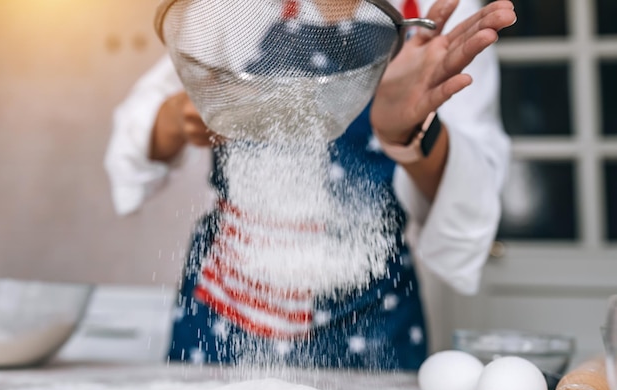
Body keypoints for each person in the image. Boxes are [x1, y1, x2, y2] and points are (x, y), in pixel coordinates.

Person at [105, 0, 516, 370]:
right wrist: (179, 116)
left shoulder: (436, 11)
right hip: (227, 308)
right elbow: (133, 141)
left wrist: (411, 131)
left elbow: (471, 202)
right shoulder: (229, 10)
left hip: (372, 314)